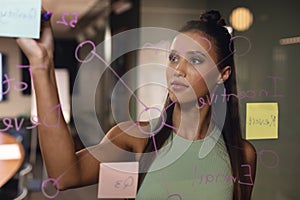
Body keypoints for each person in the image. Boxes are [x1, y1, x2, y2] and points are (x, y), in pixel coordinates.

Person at [17, 8, 256, 200]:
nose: (178, 71)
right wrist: (41, 63)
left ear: (222, 74)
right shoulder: (135, 137)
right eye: (173, 58)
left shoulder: (242, 155)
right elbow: (64, 175)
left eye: (194, 60)